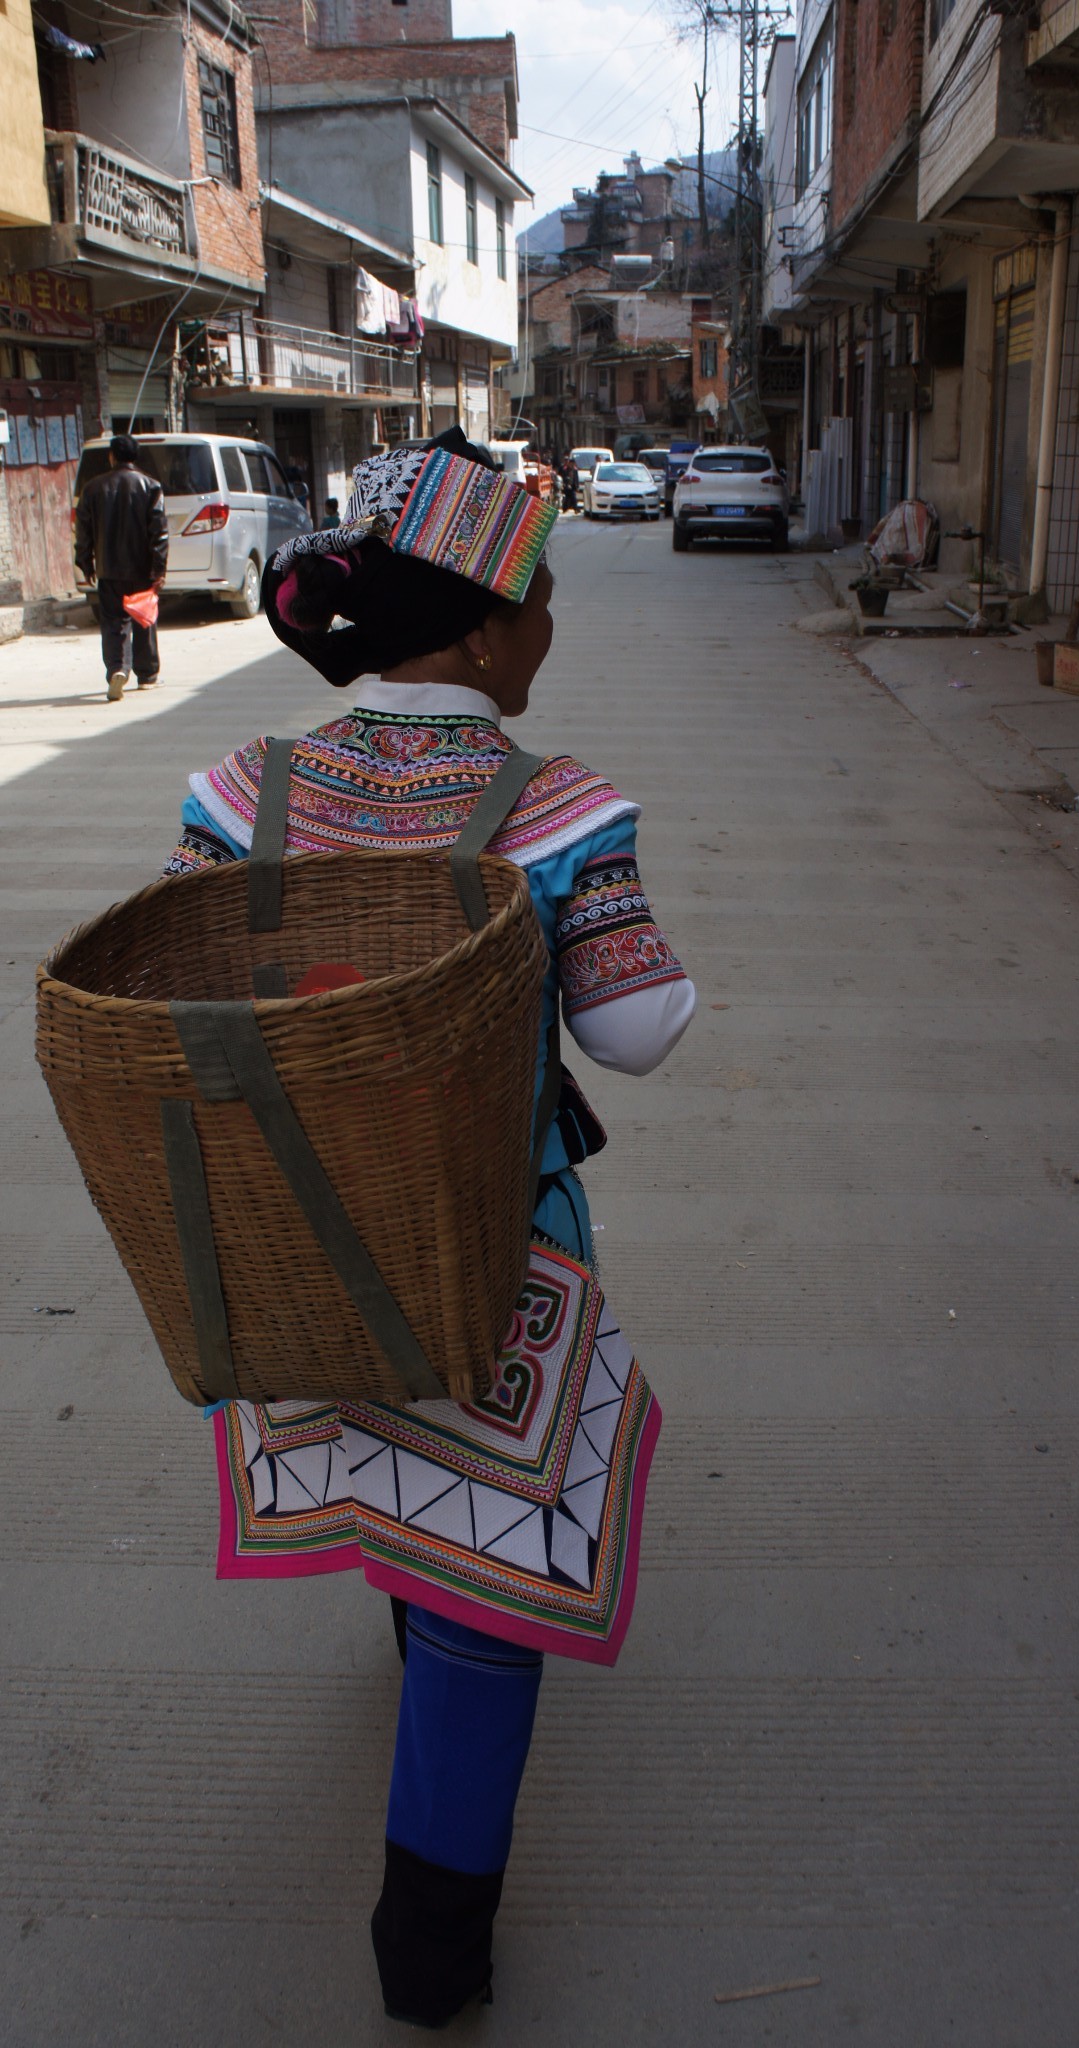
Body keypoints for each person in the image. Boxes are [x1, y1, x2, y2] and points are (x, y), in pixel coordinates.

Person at [163, 427, 696, 2028]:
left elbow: (185, 992)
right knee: (488, 1600)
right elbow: (638, 1032)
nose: (550, 630)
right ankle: (431, 1956)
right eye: (536, 602)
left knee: (382, 1458)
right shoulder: (557, 809)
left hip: (289, 1241)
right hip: (493, 1256)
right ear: (472, 627)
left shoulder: (232, 792)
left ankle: (406, 1610)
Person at [74, 433, 168, 702]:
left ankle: (117, 668)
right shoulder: (150, 486)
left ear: (112, 456)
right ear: (135, 457)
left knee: (114, 622)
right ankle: (147, 675)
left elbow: (83, 530)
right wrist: (159, 569)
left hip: (108, 569)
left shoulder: (92, 488)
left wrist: (85, 561)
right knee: (144, 619)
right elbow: (159, 533)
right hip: (142, 569)